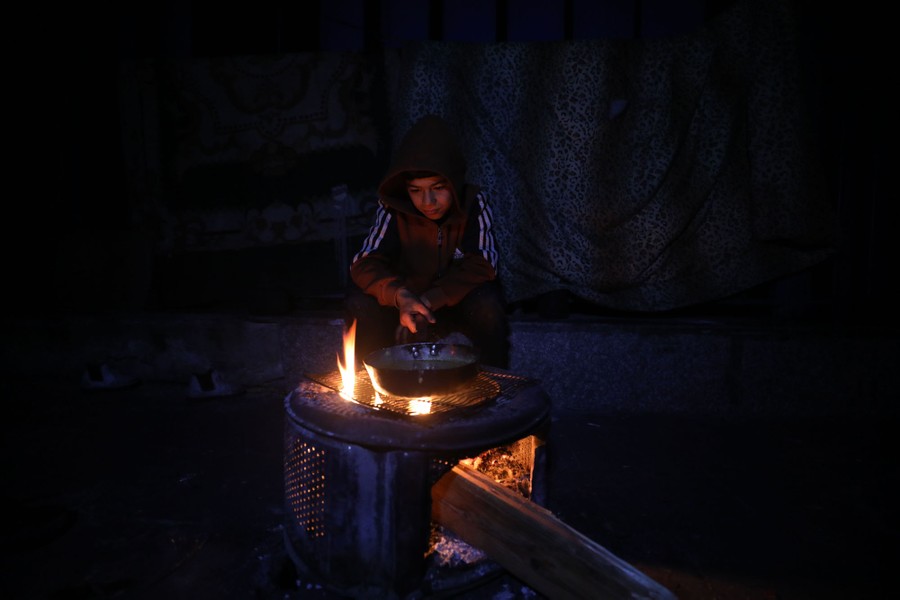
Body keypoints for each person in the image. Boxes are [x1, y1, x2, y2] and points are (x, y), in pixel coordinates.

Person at [345, 114, 510, 369]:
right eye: (416, 191)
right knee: (359, 302)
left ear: (453, 184)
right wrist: (401, 296)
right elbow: (364, 263)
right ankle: (371, 387)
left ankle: (493, 386)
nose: (428, 201)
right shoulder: (393, 208)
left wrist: (430, 300)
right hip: (402, 304)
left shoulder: (472, 202)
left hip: (452, 303)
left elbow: (484, 263)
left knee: (488, 304)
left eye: (438, 188)